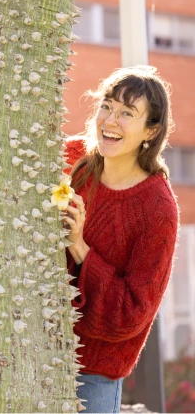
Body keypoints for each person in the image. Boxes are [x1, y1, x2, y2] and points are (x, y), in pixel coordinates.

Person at [62, 66, 179, 413]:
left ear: (151, 130)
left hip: (92, 374)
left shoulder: (157, 208)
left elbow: (131, 315)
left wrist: (79, 247)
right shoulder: (72, 161)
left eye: (127, 113)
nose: (110, 121)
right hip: (28, 345)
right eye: (107, 106)